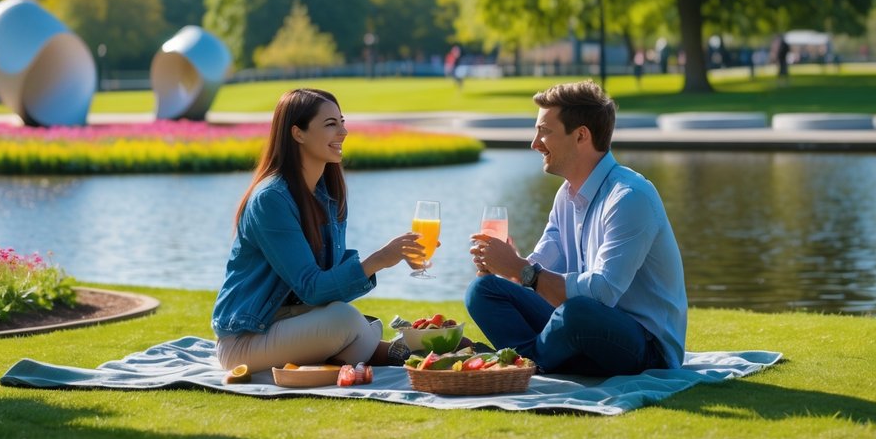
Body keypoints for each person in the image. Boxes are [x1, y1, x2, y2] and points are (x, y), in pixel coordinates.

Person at [466, 80, 687, 376]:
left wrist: (521, 269)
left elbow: (601, 294)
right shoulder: (566, 196)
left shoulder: (629, 197)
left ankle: (524, 362)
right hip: (584, 327)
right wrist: (508, 266)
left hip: (646, 347)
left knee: (578, 311)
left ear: (581, 135)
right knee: (484, 290)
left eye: (544, 132)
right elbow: (539, 270)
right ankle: (538, 360)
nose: (534, 144)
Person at [212, 88, 420, 372]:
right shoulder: (271, 199)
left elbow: (327, 291)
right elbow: (312, 288)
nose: (344, 132)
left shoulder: (326, 195)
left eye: (342, 121)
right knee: (347, 322)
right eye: (331, 124)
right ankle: (409, 350)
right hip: (245, 341)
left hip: (287, 322)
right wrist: (379, 260)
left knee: (361, 323)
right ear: (298, 133)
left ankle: (416, 351)